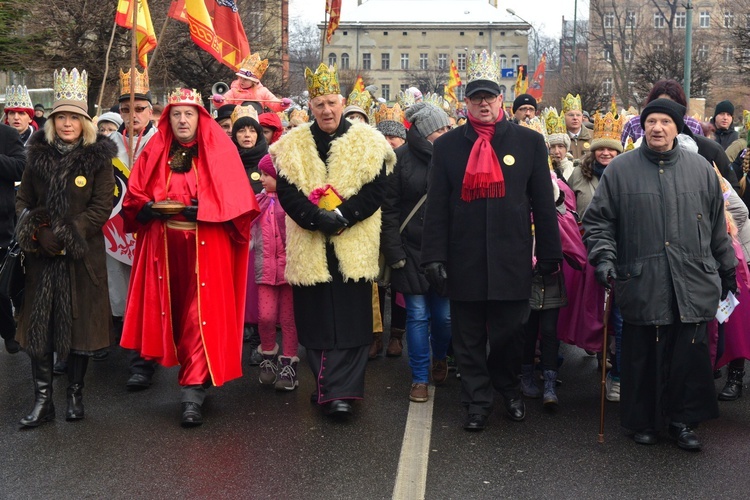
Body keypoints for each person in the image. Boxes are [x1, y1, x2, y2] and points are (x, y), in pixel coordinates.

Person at [583, 98, 737, 451]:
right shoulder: (620, 170)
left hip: (693, 279)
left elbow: (717, 226)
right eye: (651, 121)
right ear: (642, 127)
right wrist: (604, 261)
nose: (657, 128)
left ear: (677, 127)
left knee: (688, 355)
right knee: (643, 356)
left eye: (665, 122)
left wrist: (727, 267)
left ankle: (682, 422)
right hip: (642, 278)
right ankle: (644, 421)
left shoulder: (701, 169)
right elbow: (599, 223)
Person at [420, 50, 562, 431]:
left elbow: (544, 206)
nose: (483, 103)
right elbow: (437, 207)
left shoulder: (529, 143)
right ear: (465, 102)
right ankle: (477, 401)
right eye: (475, 97)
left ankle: (509, 388)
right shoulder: (448, 146)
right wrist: (433, 256)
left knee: (508, 336)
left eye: (490, 96)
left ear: (502, 99)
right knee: (466, 340)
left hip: (510, 258)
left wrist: (550, 253)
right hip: (463, 258)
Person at [120, 88, 258, 427]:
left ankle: (192, 392)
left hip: (206, 245)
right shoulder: (154, 148)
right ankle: (196, 372)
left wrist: (207, 210)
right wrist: (147, 208)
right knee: (175, 316)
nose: (183, 120)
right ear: (168, 118)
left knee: (200, 318)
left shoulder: (220, 150)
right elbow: (134, 198)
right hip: (163, 247)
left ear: (200, 117)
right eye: (177, 114)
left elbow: (240, 204)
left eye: (189, 114)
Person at [271, 63, 396, 417]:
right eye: (319, 104)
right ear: (310, 107)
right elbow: (287, 193)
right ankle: (328, 386)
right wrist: (316, 218)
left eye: (331, 103)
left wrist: (342, 216)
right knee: (317, 322)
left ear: (342, 103)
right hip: (310, 245)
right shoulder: (291, 145)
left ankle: (341, 392)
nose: (326, 110)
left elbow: (376, 191)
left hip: (353, 243)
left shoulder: (370, 141)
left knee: (352, 322)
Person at [15, 68, 116, 427]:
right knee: (39, 328)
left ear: (85, 122)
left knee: (79, 327)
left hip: (82, 258)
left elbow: (101, 208)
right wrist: (39, 231)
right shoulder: (35, 156)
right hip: (42, 259)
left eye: (74, 117)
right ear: (52, 121)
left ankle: (75, 392)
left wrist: (68, 234)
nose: (67, 123)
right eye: (61, 117)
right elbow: (23, 200)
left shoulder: (98, 158)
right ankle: (44, 401)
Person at [381, 102, 452, 403]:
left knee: (445, 317)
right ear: (425, 132)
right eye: (441, 129)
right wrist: (395, 252)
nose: (447, 133)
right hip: (409, 250)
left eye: (448, 127)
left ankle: (441, 356)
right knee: (418, 315)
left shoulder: (453, 157)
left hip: (445, 251)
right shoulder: (399, 160)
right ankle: (419, 378)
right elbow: (390, 211)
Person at [108, 68, 161, 391]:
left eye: (139, 109)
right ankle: (128, 347)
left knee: (151, 294)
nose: (132, 115)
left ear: (151, 110)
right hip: (115, 232)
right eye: (126, 109)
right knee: (122, 294)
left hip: (153, 229)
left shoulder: (163, 143)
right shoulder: (107, 144)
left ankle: (145, 360)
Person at [252, 154, 299, 390]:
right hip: (265, 270)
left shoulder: (293, 203)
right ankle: (268, 356)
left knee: (289, 319)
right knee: (266, 317)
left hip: (290, 271)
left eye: (267, 174)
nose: (261, 178)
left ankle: (289, 364)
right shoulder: (257, 202)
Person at [0, 123, 26, 354]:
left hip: (1, 225)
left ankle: (9, 331)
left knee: (4, 287)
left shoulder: (6, 135)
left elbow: (21, 167)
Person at [620, 79, 705, 144]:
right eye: (660, 103)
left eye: (671, 104)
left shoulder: (693, 125)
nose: (665, 108)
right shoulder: (634, 124)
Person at [215, 52, 291, 112]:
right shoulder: (234, 90)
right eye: (240, 78)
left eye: (246, 79)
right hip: (237, 121)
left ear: (253, 82)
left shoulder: (263, 91)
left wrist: (282, 104)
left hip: (258, 121)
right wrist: (220, 101)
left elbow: (274, 103)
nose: (242, 81)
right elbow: (225, 104)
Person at [543, 107, 574, 181]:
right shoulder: (542, 170)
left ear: (566, 149)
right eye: (552, 147)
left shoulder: (574, 170)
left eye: (560, 146)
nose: (556, 151)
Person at [561, 94, 592, 160]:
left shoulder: (593, 136)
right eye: (571, 115)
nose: (575, 118)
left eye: (578, 115)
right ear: (563, 117)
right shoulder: (560, 138)